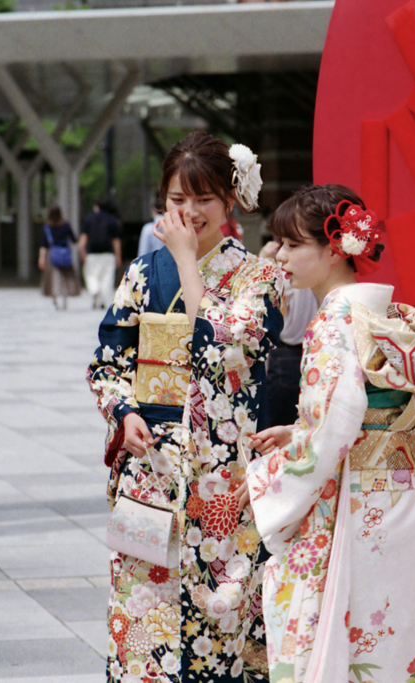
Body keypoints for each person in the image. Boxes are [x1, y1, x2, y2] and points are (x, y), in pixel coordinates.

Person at [243, 185, 415, 682]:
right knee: (402, 635)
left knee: (356, 630)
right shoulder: (377, 311)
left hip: (356, 501)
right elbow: (353, 415)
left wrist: (272, 475)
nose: (280, 255)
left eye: (293, 244)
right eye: (277, 242)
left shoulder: (334, 321)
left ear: (335, 248)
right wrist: (299, 430)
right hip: (406, 491)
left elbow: (338, 422)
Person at [88, 132, 285, 683]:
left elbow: (225, 345)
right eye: (178, 199)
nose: (190, 212)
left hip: (223, 475)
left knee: (221, 617)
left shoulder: (261, 277)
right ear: (163, 201)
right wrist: (123, 411)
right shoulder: (142, 273)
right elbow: (108, 360)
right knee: (143, 611)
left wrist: (184, 259)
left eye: (203, 199)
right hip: (152, 471)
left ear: (229, 201)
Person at [259, 235, 318, 427]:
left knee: (277, 422)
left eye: (292, 245)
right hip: (308, 351)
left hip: (288, 352)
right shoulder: (314, 272)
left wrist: (264, 261)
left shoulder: (283, 276)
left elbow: (263, 312)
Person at [79, 197, 123, 309]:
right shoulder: (111, 220)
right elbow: (115, 240)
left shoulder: (89, 219)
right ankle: (104, 300)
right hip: (108, 254)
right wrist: (118, 256)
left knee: (91, 276)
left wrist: (82, 252)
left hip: (92, 254)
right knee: (107, 278)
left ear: (96, 207)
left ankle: (95, 290)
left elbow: (83, 239)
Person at [38, 204, 81, 310]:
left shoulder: (47, 227)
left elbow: (43, 245)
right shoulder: (65, 225)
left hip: (52, 255)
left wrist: (42, 258)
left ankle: (55, 298)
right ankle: (65, 299)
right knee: (66, 278)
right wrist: (82, 251)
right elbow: (74, 240)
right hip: (65, 254)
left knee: (54, 278)